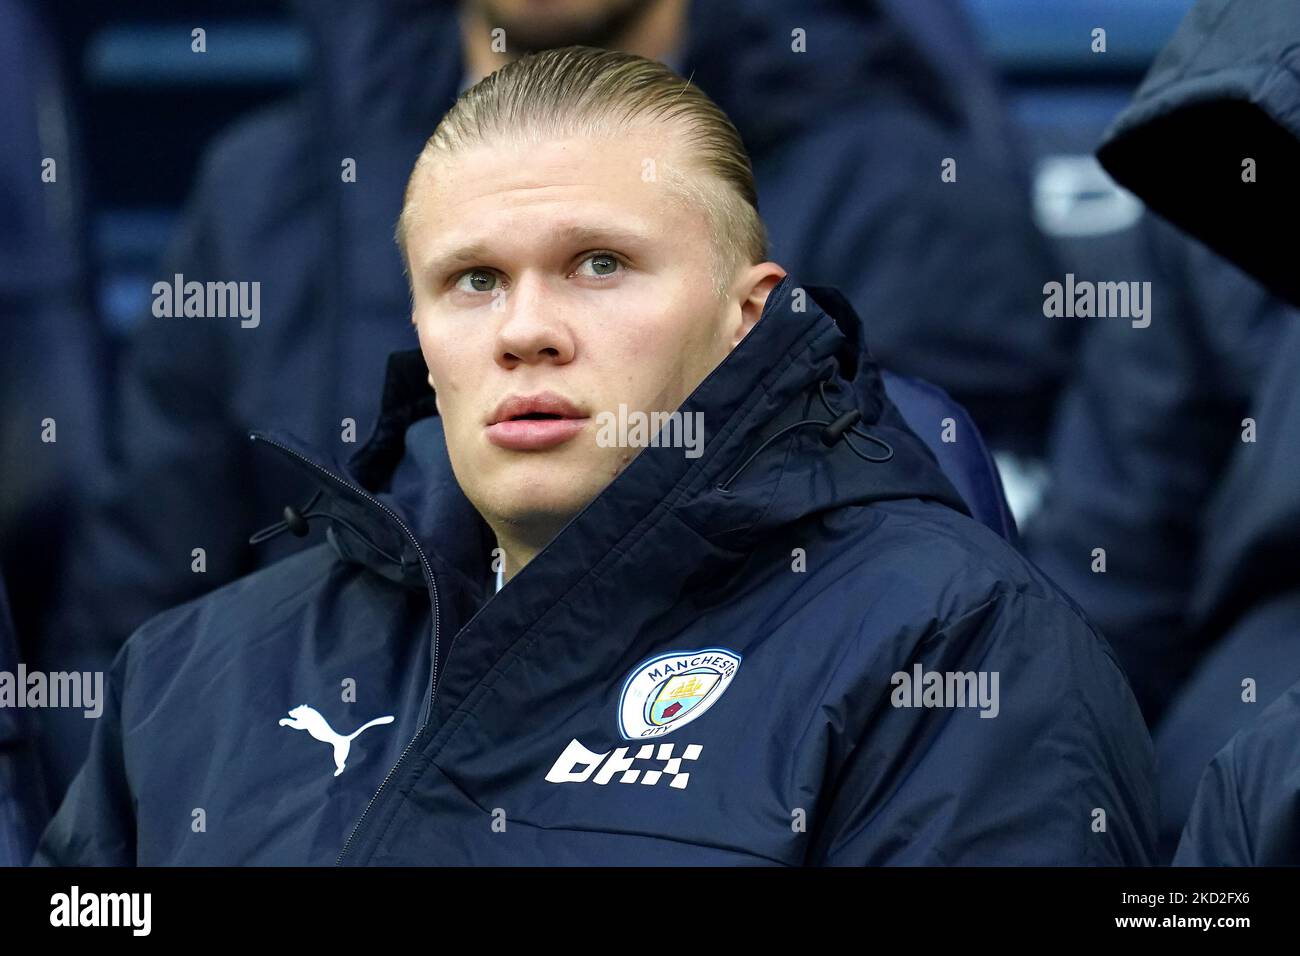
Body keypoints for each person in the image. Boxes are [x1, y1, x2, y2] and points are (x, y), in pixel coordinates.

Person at [35, 47, 1151, 866]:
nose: (526, 328)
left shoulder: (954, 646)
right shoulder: (196, 670)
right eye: (472, 279)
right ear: (420, 329)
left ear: (747, 316)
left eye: (600, 264)